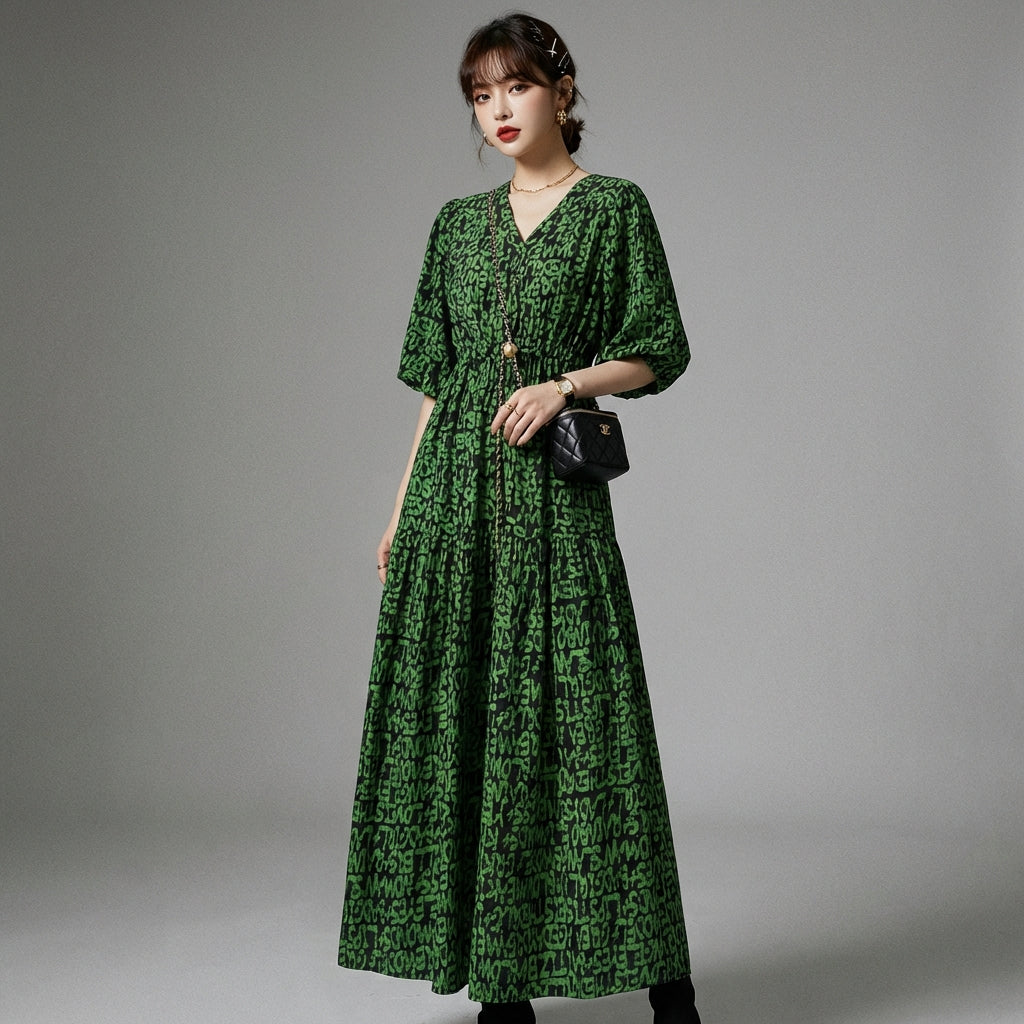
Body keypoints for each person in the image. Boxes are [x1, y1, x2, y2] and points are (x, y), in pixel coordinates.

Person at [338, 13, 701, 1024]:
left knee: (591, 729)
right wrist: (400, 511)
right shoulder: (456, 226)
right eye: (480, 95)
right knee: (470, 727)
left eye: (516, 87)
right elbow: (436, 383)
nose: (498, 110)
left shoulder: (614, 208)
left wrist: (564, 384)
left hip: (554, 500)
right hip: (452, 503)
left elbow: (659, 348)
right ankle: (502, 995)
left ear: (561, 90)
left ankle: (667, 984)